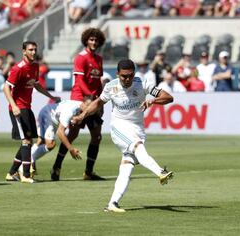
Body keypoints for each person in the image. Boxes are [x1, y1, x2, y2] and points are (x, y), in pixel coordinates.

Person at [73, 59, 174, 213]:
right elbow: (98, 103)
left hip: (137, 129)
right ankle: (160, 172)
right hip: (119, 128)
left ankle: (112, 203)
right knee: (137, 146)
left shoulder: (143, 83)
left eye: (130, 76)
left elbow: (168, 97)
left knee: (127, 167)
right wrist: (83, 115)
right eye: (123, 76)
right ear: (117, 74)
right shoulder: (111, 87)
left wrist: (153, 101)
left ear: (134, 74)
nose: (127, 80)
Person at [51, 28, 106, 181]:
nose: (94, 42)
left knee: (97, 136)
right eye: (91, 40)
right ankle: (56, 167)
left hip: (93, 102)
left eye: (96, 40)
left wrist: (100, 101)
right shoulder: (80, 58)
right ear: (86, 40)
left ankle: (88, 172)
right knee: (72, 135)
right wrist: (88, 98)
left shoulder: (99, 59)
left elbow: (98, 82)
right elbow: (79, 81)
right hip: (79, 101)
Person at [3, 41, 60, 183]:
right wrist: (14, 106)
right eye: (30, 50)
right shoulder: (18, 68)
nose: (33, 52)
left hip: (27, 108)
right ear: (23, 51)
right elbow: (6, 87)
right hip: (17, 108)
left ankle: (11, 173)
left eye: (35, 49)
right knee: (26, 141)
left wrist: (50, 96)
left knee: (28, 141)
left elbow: (36, 85)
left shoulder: (35, 66)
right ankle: (26, 175)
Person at [18, 99, 91, 176]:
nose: (89, 109)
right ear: (83, 103)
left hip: (52, 116)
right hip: (48, 114)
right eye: (87, 106)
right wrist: (71, 149)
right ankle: (25, 165)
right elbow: (60, 133)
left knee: (41, 141)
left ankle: (23, 166)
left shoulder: (80, 107)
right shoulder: (69, 112)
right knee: (50, 144)